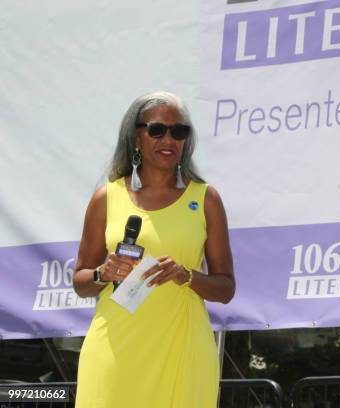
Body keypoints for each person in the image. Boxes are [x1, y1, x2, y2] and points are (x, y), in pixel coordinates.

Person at [73, 91, 235, 407]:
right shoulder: (106, 197)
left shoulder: (206, 199)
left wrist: (186, 275)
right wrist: (103, 272)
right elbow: (80, 282)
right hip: (115, 350)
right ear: (136, 137)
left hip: (182, 350)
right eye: (157, 130)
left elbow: (225, 288)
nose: (169, 139)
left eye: (179, 131)